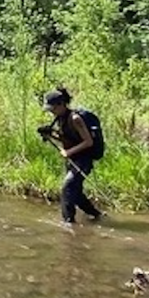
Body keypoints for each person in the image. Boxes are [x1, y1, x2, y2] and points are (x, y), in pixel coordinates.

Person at [41, 87, 102, 227]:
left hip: (84, 159)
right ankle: (95, 214)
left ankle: (68, 223)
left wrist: (68, 152)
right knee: (76, 191)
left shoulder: (75, 118)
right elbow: (68, 139)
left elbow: (88, 142)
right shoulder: (60, 119)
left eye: (53, 108)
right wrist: (51, 135)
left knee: (67, 187)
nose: (51, 112)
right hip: (73, 159)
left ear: (61, 104)